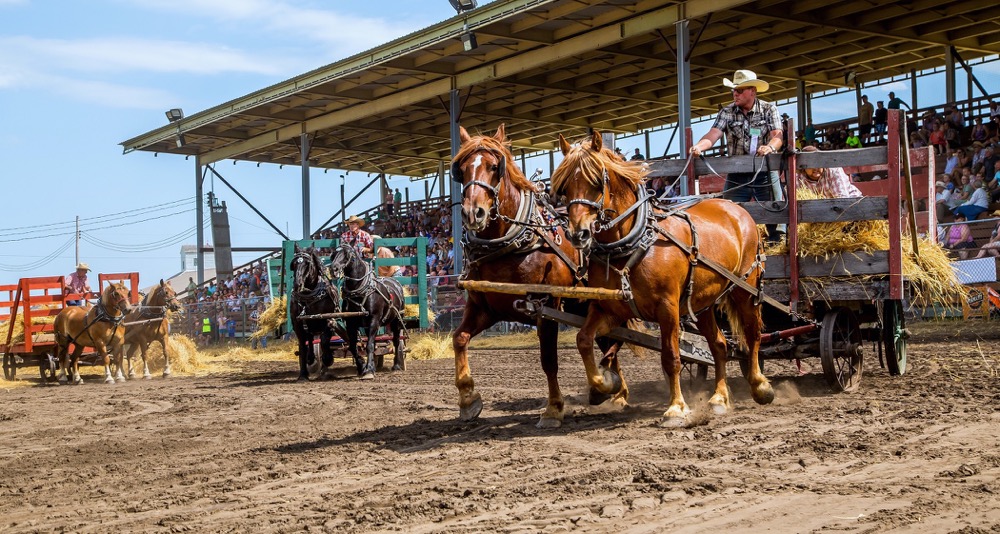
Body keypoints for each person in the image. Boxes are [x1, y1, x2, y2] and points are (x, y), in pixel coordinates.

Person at [689, 69, 785, 242]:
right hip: (737, 175)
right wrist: (699, 146)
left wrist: (770, 147)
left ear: (752, 91)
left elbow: (777, 136)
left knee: (776, 212)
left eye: (739, 90)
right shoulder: (727, 112)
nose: (735, 94)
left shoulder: (769, 110)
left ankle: (778, 244)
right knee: (726, 215)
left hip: (765, 172)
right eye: (733, 90)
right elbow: (713, 134)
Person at [797, 146, 862, 198]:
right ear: (803, 168)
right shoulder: (798, 179)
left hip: (851, 203)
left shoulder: (833, 171)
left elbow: (842, 198)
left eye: (818, 163)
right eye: (810, 165)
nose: (815, 168)